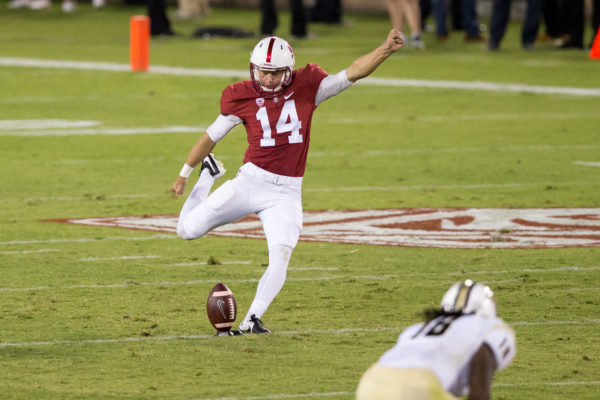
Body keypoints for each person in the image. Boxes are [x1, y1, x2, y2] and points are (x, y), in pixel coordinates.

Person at [171, 30, 404, 334]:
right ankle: (209, 175)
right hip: (250, 181)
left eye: (274, 73)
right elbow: (211, 136)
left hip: (286, 191)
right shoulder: (240, 95)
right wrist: (186, 173)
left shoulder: (308, 85)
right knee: (186, 230)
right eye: (262, 72)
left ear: (288, 71)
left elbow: (350, 75)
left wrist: (385, 48)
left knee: (281, 253)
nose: (267, 79)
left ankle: (253, 317)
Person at [356, 280, 516, 400]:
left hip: (370, 383)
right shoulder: (490, 325)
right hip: (419, 386)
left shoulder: (417, 328)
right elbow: (483, 356)